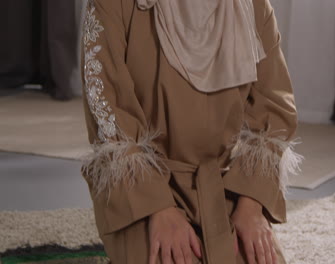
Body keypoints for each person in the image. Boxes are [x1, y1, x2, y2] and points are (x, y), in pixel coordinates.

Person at [79, 0, 302, 263]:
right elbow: (108, 110)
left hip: (225, 184)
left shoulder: (252, 4)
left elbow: (274, 108)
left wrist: (251, 205)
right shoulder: (113, 4)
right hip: (140, 190)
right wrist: (159, 210)